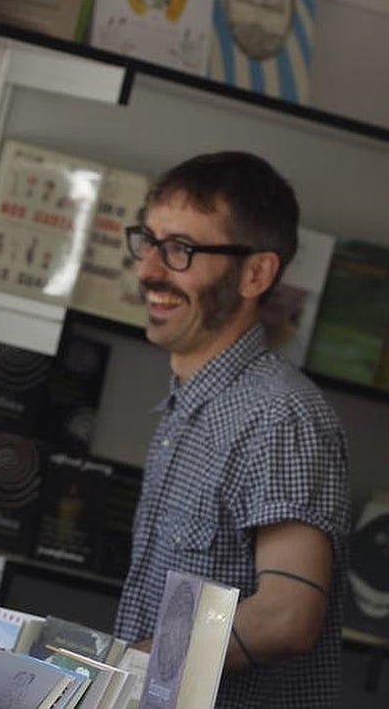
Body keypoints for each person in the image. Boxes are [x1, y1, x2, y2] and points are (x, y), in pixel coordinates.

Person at [116, 151, 350, 708]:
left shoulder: (280, 415)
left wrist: (130, 667)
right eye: (147, 242)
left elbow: (287, 616)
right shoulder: (187, 411)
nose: (148, 269)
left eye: (180, 250)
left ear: (256, 274)